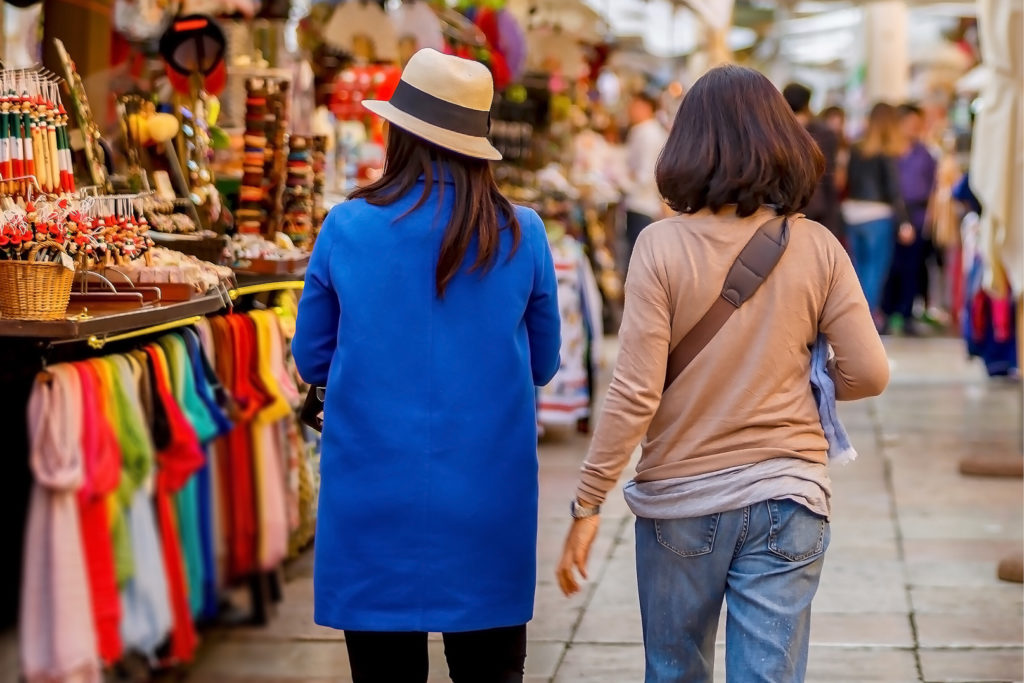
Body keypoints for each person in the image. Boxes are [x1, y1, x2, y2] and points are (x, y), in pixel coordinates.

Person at [555, 65, 889, 683]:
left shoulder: (659, 246)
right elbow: (869, 372)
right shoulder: (817, 247)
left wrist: (589, 500)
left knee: (676, 670)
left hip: (680, 497)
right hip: (789, 496)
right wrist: (804, 378)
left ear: (686, 145)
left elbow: (635, 393)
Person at [292, 48, 561, 683]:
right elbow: (545, 363)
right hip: (488, 500)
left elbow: (312, 357)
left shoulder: (347, 226)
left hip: (372, 496)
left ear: (398, 133)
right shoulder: (521, 232)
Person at [842, 102, 912, 329]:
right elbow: (893, 191)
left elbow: (848, 182)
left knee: (859, 270)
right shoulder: (887, 151)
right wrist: (904, 221)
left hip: (853, 214)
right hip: (877, 215)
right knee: (875, 271)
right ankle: (864, 323)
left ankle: (853, 320)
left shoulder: (856, 146)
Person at [884, 103, 938, 334]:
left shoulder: (925, 153)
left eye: (918, 124)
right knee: (889, 268)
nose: (914, 128)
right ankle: (885, 313)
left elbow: (933, 186)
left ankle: (906, 314)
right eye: (910, 124)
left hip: (917, 216)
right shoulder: (889, 152)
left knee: (912, 268)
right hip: (891, 216)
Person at [783, 83, 843, 237]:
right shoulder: (824, 133)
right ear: (807, 104)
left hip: (782, 208)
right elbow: (829, 176)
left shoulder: (775, 130)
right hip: (815, 206)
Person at [623, 91, 669, 262]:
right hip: (646, 205)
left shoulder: (646, 133)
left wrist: (624, 182)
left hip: (641, 204)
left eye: (634, 105)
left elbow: (644, 175)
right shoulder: (650, 131)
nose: (630, 109)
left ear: (645, 107)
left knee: (636, 259)